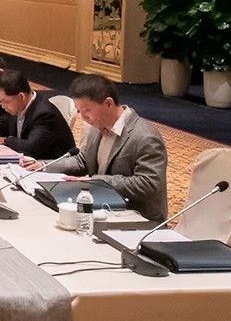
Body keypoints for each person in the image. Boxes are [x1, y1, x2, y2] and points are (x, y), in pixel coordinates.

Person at [27, 74, 168, 222]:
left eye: (87, 111)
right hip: (102, 208)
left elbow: (149, 184)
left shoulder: (145, 137)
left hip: (138, 218)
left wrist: (95, 182)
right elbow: (82, 161)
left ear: (108, 103)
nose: (83, 118)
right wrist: (44, 165)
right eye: (79, 111)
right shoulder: (95, 128)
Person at [0, 70, 74, 160]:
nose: (2, 106)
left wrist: (7, 140)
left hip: (52, 170)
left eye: (4, 101)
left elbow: (31, 148)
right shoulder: (16, 107)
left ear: (21, 96)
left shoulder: (44, 114)